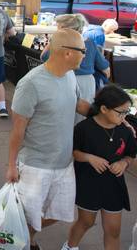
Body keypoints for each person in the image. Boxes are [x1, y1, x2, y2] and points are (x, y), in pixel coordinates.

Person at [6, 29, 92, 250]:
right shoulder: (31, 84)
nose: (85, 54)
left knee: (59, 214)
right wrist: (11, 166)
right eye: (82, 50)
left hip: (64, 163)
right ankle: (22, 242)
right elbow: (17, 130)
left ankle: (25, 237)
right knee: (27, 215)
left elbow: (77, 103)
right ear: (66, 53)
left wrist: (111, 116)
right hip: (36, 166)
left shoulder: (69, 75)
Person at [62, 85, 136, 250]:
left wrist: (124, 163)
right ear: (103, 109)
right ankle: (70, 246)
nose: (124, 116)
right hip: (88, 184)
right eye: (120, 112)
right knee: (86, 222)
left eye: (127, 111)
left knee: (113, 230)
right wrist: (89, 157)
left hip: (114, 187)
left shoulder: (125, 131)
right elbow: (74, 152)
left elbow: (130, 154)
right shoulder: (83, 129)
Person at [41, 14, 110, 124]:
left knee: (66, 115)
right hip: (86, 82)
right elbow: (105, 69)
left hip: (68, 80)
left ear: (65, 29)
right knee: (80, 117)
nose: (56, 31)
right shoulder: (90, 43)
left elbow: (44, 57)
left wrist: (52, 41)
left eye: (58, 28)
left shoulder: (61, 44)